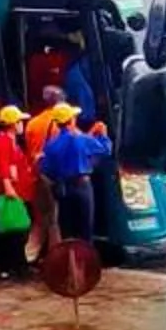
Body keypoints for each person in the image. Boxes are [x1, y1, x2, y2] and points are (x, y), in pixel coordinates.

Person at [36, 105, 112, 248]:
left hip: (63, 188)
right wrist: (103, 134)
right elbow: (106, 150)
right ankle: (85, 258)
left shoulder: (51, 145)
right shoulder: (81, 139)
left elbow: (45, 169)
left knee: (67, 232)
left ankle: (69, 259)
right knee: (85, 230)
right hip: (82, 186)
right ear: (71, 120)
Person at [0, 107, 38, 279]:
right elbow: (3, 166)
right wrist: (9, 188)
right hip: (13, 193)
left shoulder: (11, 141)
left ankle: (5, 265)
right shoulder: (3, 141)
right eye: (19, 121)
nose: (21, 124)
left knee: (11, 231)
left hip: (19, 192)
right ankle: (13, 266)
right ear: (12, 124)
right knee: (14, 231)